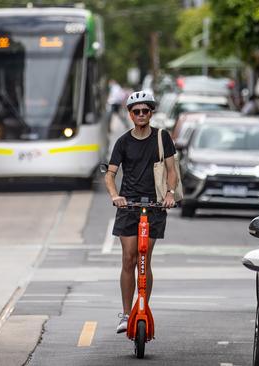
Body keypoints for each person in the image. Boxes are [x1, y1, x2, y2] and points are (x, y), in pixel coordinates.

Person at [104, 90, 178, 334]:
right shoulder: (123, 142)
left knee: (144, 259)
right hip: (129, 207)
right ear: (130, 114)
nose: (141, 115)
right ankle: (126, 314)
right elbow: (110, 174)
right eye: (137, 111)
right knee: (129, 258)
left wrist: (169, 193)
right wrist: (116, 196)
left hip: (155, 205)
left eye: (146, 111)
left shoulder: (162, 137)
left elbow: (171, 169)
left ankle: (143, 305)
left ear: (151, 113)